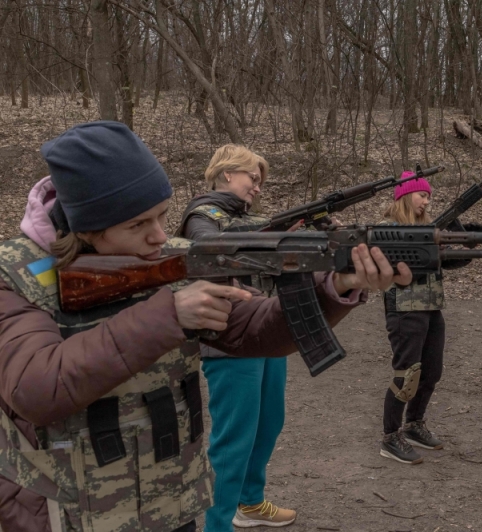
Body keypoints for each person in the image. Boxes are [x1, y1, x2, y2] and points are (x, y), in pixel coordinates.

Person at [0, 121, 411, 532]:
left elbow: (252, 328)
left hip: (168, 505)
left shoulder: (172, 258)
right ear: (87, 228)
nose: (160, 236)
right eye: (138, 225)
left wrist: (337, 286)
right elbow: (37, 387)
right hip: (66, 514)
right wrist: (170, 315)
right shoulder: (14, 275)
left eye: (161, 215)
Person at [177, 145, 293, 529]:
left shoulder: (250, 219)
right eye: (252, 178)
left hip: (266, 332)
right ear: (227, 174)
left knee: (268, 423)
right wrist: (275, 231)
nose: (257, 187)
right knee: (233, 441)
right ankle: (216, 525)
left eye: (260, 181)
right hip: (229, 340)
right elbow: (209, 247)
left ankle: (249, 502)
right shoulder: (202, 215)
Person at [378, 171, 470, 465]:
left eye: (429, 196)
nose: (426, 200)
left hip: (432, 307)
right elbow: (398, 269)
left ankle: (414, 424)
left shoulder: (429, 228)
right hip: (404, 308)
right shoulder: (387, 229)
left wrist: (459, 231)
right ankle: (390, 436)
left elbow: (455, 261)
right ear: (405, 195)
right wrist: (431, 251)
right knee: (408, 374)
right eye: (422, 194)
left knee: (432, 372)